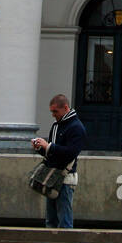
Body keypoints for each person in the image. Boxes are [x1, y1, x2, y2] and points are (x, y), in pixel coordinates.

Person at [31, 94, 87, 229]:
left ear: (66, 108)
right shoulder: (57, 125)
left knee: (64, 221)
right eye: (52, 111)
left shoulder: (76, 127)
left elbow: (70, 153)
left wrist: (48, 146)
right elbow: (53, 154)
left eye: (55, 111)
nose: (53, 115)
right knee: (51, 220)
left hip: (65, 178)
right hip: (52, 178)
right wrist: (40, 148)